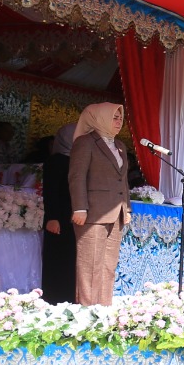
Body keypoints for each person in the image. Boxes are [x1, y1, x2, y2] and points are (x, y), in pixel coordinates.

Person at [67, 103, 131, 306]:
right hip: (93, 213)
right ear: (99, 118)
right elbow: (77, 176)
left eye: (120, 118)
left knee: (108, 266)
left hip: (116, 213)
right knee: (90, 266)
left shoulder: (120, 145)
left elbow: (124, 180)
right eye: (114, 117)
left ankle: (104, 309)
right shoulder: (85, 142)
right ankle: (87, 312)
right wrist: (79, 207)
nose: (119, 122)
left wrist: (126, 208)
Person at [39, 124, 77, 304]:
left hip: (72, 218)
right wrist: (53, 217)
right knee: (58, 258)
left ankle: (68, 297)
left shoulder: (76, 160)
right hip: (58, 218)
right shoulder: (56, 161)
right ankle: (54, 298)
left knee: (69, 258)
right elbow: (51, 191)